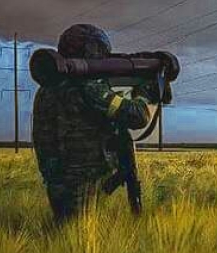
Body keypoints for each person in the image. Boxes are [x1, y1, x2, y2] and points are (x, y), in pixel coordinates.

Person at [31, 24, 161, 223]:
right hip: (83, 180)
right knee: (79, 231)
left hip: (57, 178)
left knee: (66, 226)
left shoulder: (46, 88)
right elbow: (137, 117)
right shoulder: (87, 87)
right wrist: (144, 95)